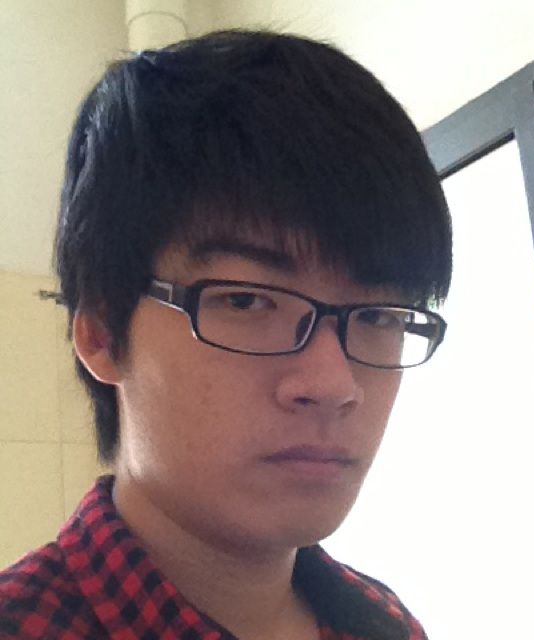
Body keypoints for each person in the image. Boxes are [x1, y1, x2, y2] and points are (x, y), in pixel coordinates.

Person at [0, 29, 451, 640]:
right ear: (102, 331)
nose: (333, 385)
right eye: (246, 300)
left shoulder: (384, 622)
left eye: (378, 317)